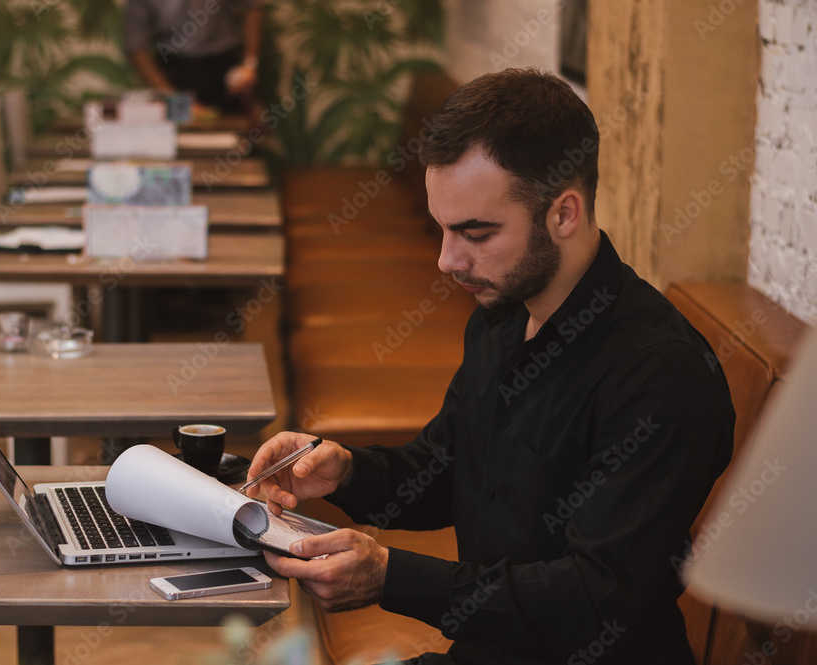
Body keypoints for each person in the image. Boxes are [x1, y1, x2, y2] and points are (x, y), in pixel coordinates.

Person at [246, 68, 735, 664]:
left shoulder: (660, 375)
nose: (448, 260)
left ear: (565, 213)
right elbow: (445, 469)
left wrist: (391, 576)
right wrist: (345, 471)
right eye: (443, 229)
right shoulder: (503, 313)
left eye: (475, 233)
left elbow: (597, 597)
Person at [122, 0, 262, 115]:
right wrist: (172, 98)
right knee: (181, 141)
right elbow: (136, 46)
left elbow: (252, 6)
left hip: (225, 69)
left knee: (232, 138)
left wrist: (249, 64)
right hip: (173, 71)